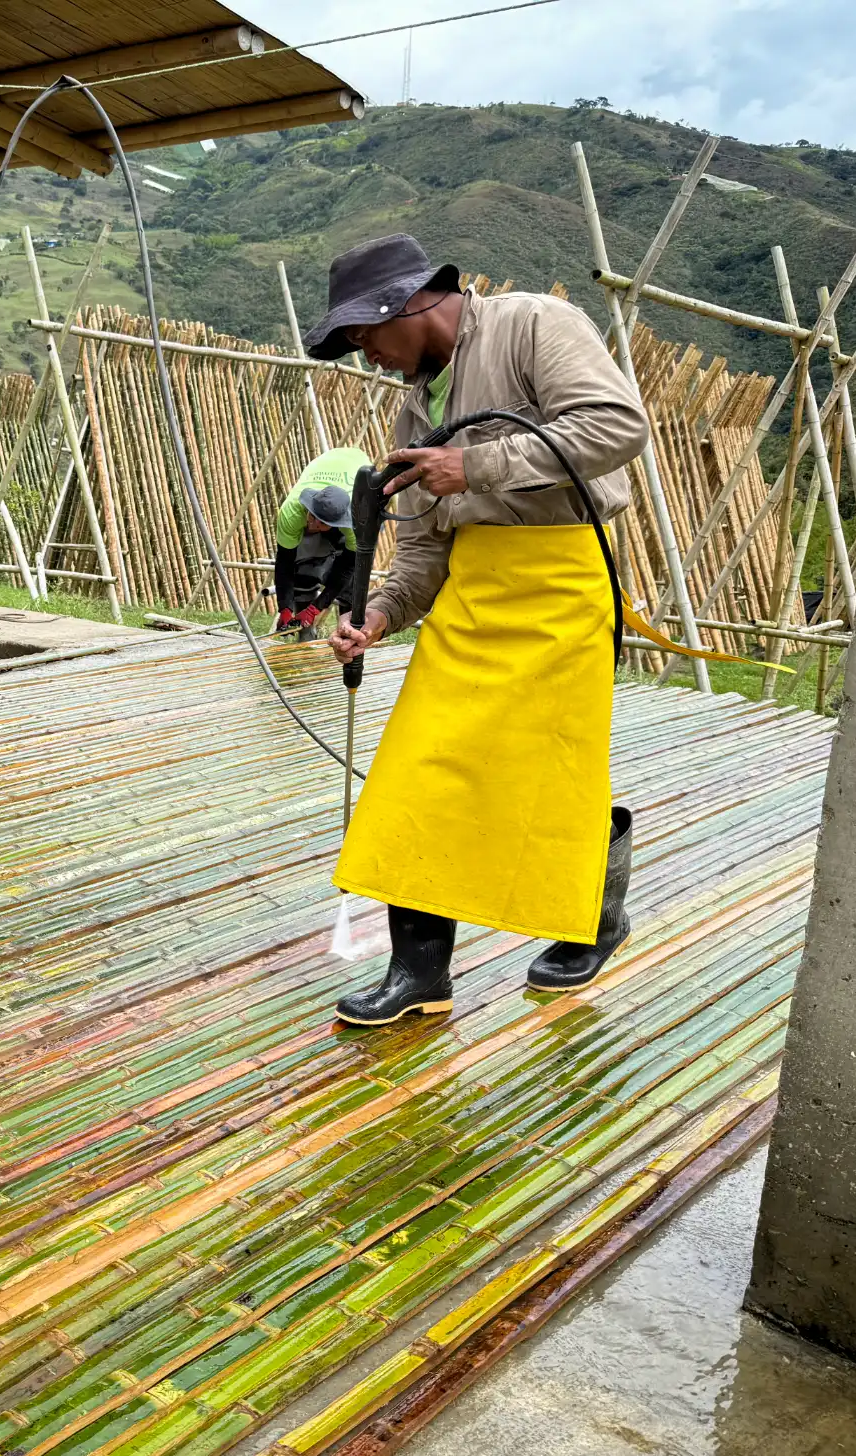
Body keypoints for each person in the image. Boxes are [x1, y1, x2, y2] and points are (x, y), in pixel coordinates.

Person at [301, 233, 648, 1025]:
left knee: (549, 777)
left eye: (367, 340)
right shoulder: (415, 407)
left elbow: (618, 426)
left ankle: (597, 919)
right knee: (418, 773)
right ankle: (419, 976)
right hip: (472, 598)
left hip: (561, 580)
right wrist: (380, 613)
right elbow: (423, 547)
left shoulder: (535, 325)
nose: (372, 360)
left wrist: (479, 467)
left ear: (408, 304)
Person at [271, 447, 366, 639]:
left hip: (361, 473)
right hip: (330, 461)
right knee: (304, 561)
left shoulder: (357, 523)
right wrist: (285, 607)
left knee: (354, 581)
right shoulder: (292, 511)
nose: (313, 524)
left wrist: (316, 608)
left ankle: (349, 633)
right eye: (312, 516)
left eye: (321, 523)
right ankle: (305, 635)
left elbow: (348, 567)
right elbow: (285, 562)